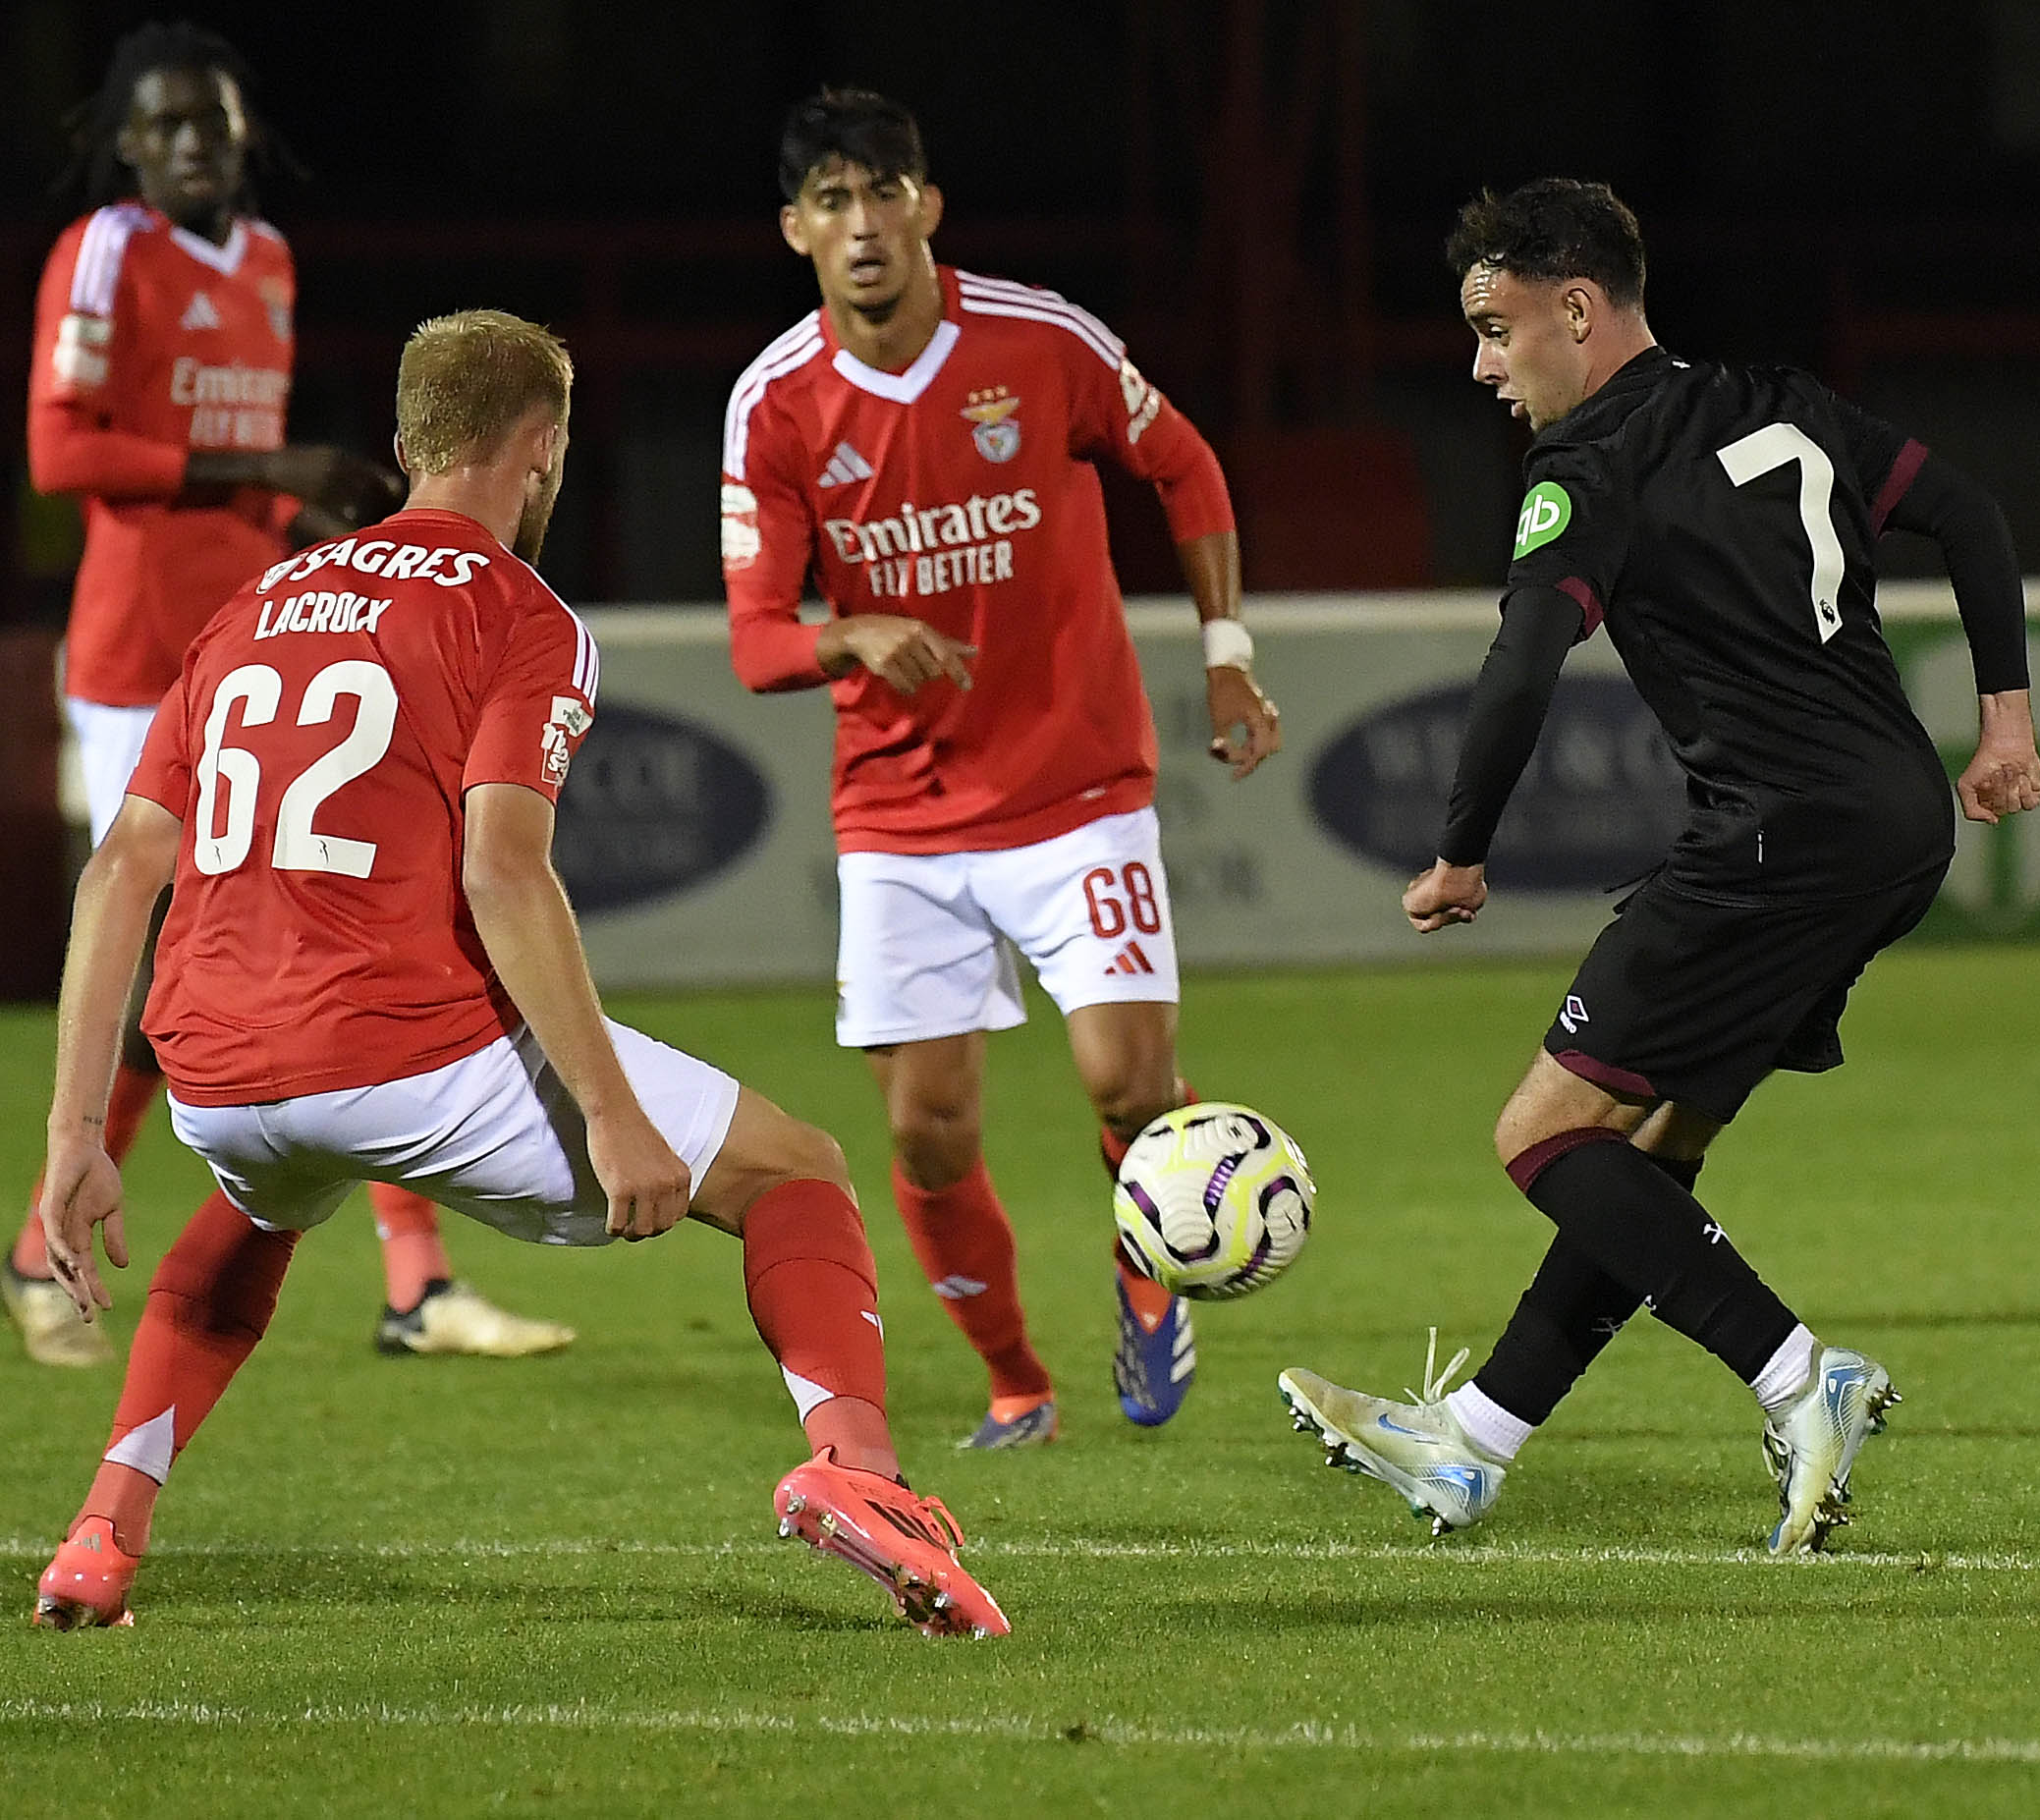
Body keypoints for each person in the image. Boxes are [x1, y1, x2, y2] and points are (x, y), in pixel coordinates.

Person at [28, 311, 1004, 1637]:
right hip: (406, 1059)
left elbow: (118, 873)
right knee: (797, 1170)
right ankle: (868, 1477)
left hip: (216, 1072)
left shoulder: (246, 608)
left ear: (401, 443)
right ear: (540, 450)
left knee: (250, 1212)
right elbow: (503, 868)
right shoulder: (517, 610)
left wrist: (75, 1136)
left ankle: (99, 1535)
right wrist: (609, 1109)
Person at [1276, 181, 2040, 1553]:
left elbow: (1521, 667)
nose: (1481, 366)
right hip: (1893, 824)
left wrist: (1461, 849)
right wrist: (2004, 725)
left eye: (1495, 329)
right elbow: (1972, 514)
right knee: (1652, 1146)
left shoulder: (1589, 467)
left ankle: (1803, 1375)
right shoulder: (1780, 400)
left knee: (1542, 1135)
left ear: (1576, 310)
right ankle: (1476, 1440)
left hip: (1777, 834)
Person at [725, 89, 1280, 1447]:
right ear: (796, 228)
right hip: (902, 816)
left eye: (885, 193)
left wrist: (1225, 651)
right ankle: (1017, 1380)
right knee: (926, 1129)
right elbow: (752, 641)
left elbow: (1185, 463)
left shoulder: (1038, 338)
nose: (864, 225)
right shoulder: (778, 404)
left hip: (1075, 782)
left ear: (928, 206)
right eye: (834, 201)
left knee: (1130, 1085)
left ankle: (1154, 1273)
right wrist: (845, 631)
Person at [13, 22, 569, 1368]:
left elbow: (233, 469)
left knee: (373, 920)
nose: (195, 143)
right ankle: (43, 1243)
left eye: (214, 119)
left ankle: (418, 1284)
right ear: (127, 143)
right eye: (166, 125)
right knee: (165, 950)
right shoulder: (104, 252)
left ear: (246, 131)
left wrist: (305, 511)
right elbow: (58, 446)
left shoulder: (265, 259)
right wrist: (265, 458)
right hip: (138, 655)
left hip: (264, 645)